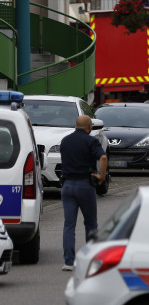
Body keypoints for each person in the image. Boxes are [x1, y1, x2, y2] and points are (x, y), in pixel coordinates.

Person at [60, 115, 108, 271]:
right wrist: (101, 175)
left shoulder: (65, 141)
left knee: (69, 225)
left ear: (76, 126)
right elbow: (103, 156)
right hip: (85, 185)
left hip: (67, 186)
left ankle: (68, 262)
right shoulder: (91, 141)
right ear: (89, 127)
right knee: (91, 224)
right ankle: (89, 260)